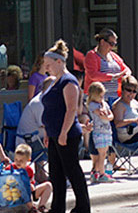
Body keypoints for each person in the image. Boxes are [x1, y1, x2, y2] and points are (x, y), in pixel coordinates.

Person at [39, 40, 91, 211]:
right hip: (53, 133)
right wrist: (48, 132)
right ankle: (57, 208)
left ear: (59, 62)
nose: (46, 68)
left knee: (72, 171)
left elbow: (71, 110)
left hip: (66, 134)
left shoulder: (69, 82)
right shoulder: (53, 81)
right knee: (56, 174)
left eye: (48, 64)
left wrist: (63, 133)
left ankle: (83, 206)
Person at [83, 83, 116, 184]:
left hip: (106, 130)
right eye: (100, 96)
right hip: (99, 131)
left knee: (104, 153)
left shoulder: (104, 104)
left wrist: (107, 117)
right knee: (101, 154)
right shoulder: (93, 105)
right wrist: (106, 116)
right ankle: (101, 173)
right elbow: (100, 114)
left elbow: (110, 115)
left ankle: (97, 172)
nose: (102, 98)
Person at [84, 28, 130, 99]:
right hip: (97, 99)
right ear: (102, 42)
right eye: (111, 43)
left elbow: (127, 69)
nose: (113, 47)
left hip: (115, 97)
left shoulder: (114, 55)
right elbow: (93, 75)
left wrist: (126, 75)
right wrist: (113, 77)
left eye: (115, 44)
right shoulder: (92, 55)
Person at [8, 144, 53, 212]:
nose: (18, 162)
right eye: (16, 159)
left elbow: (31, 182)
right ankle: (32, 209)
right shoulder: (10, 168)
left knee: (48, 185)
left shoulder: (29, 170)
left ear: (28, 160)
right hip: (16, 195)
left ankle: (41, 206)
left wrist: (31, 185)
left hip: (29, 194)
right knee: (23, 189)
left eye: (21, 161)